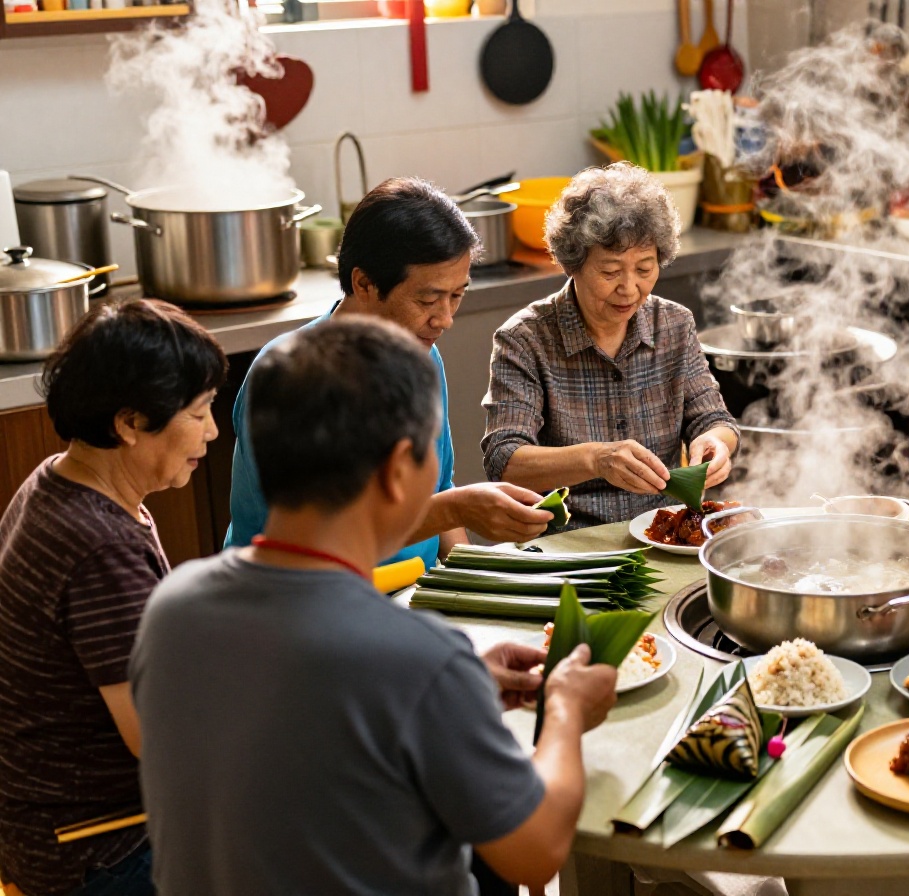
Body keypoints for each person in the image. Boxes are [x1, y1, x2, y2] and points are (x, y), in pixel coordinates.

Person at [132, 317, 618, 894]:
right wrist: (564, 710)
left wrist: (453, 693)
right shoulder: (420, 659)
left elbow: (306, 737)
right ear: (396, 471)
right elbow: (536, 853)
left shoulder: (172, 609)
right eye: (432, 451)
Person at [0, 299, 225, 896]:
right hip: (100, 850)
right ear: (129, 423)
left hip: (49, 829)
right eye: (199, 412)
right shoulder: (97, 544)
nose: (212, 431)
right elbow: (161, 739)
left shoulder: (59, 478)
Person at [226, 177, 552, 567]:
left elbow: (439, 485)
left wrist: (476, 577)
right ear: (363, 282)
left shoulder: (421, 357)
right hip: (302, 603)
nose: (445, 319)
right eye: (428, 298)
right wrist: (456, 509)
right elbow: (315, 542)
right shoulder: (289, 378)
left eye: (457, 295)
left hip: (417, 594)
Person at [483, 162, 739, 529]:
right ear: (574, 263)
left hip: (662, 528)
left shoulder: (673, 324)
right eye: (610, 271)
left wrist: (715, 444)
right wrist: (596, 459)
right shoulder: (525, 339)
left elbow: (714, 418)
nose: (629, 288)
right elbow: (504, 460)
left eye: (645, 268)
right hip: (568, 542)